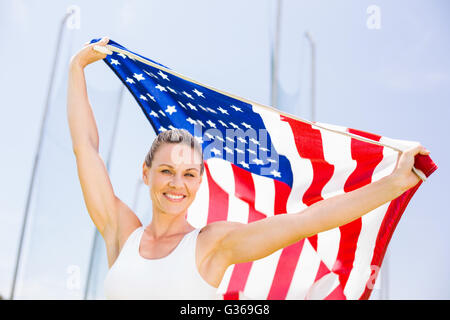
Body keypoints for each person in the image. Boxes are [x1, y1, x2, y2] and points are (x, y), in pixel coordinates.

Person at [67, 37, 430, 299]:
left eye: (189, 174)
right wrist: (77, 68)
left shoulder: (213, 244)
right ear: (146, 174)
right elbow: (86, 148)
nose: (177, 183)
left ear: (200, 180)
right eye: (166, 171)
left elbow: (309, 220)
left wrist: (392, 184)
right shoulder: (121, 234)